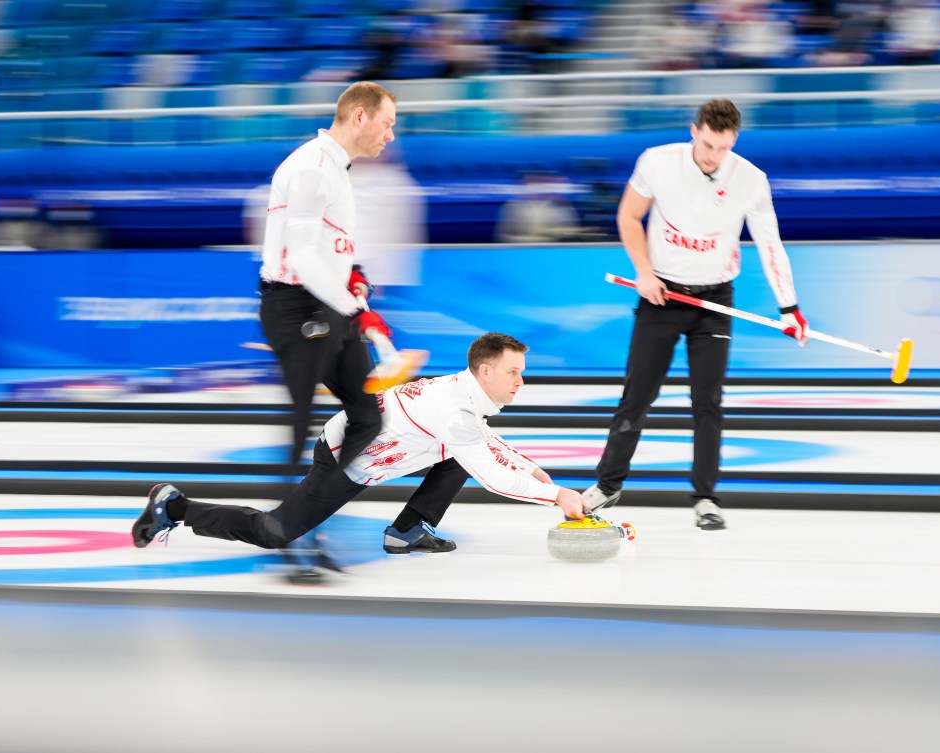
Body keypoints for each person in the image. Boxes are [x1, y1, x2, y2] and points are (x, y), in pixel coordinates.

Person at [132, 332, 590, 581]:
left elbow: (485, 441)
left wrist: (536, 471)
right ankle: (174, 506)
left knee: (458, 456)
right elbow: (491, 473)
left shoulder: (462, 395)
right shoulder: (452, 410)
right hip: (342, 459)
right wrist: (555, 496)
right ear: (485, 370)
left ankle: (407, 532)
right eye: (514, 373)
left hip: (372, 453)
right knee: (274, 533)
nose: (520, 383)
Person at [585, 99, 809, 531]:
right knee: (637, 396)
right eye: (707, 144)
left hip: (715, 301)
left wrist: (790, 306)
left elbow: (770, 244)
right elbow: (629, 216)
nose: (712, 156)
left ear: (734, 141)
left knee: (708, 402)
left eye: (722, 148)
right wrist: (645, 273)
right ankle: (607, 485)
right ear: (694, 131)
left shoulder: (751, 180)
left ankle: (706, 497)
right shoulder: (658, 162)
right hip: (660, 296)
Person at [257, 81, 397, 470]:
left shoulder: (336, 167)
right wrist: (356, 311)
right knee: (300, 426)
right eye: (386, 124)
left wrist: (353, 273)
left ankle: (311, 505)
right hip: (294, 308)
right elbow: (301, 256)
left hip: (326, 301)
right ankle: (281, 521)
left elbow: (322, 244)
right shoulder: (312, 168)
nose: (391, 135)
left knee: (368, 417)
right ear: (359, 116)